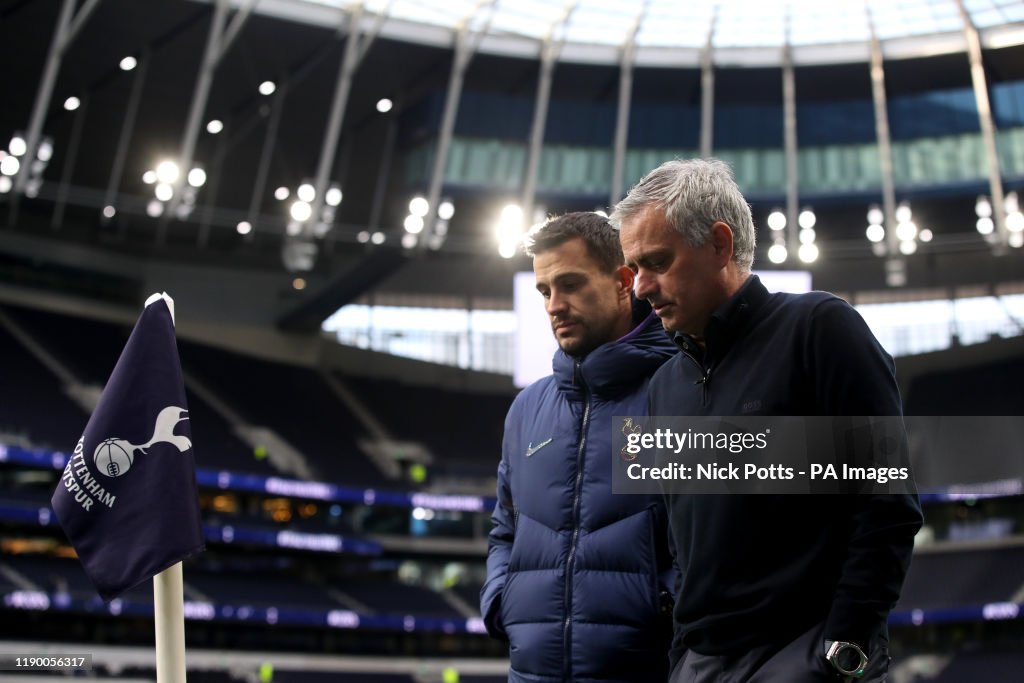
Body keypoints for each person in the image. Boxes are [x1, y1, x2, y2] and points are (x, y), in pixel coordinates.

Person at [612, 158, 923, 682]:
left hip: (800, 654)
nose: (640, 287)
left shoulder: (820, 330)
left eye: (656, 262)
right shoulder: (665, 387)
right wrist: (682, 656)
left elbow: (886, 505)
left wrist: (843, 649)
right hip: (700, 664)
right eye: (633, 268)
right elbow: (683, 547)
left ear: (719, 244)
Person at [481, 212, 677, 682]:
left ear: (623, 281)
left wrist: (666, 607)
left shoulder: (679, 391)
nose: (554, 305)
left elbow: (715, 536)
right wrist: (500, 601)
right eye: (545, 291)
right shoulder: (528, 408)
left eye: (570, 284)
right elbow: (504, 530)